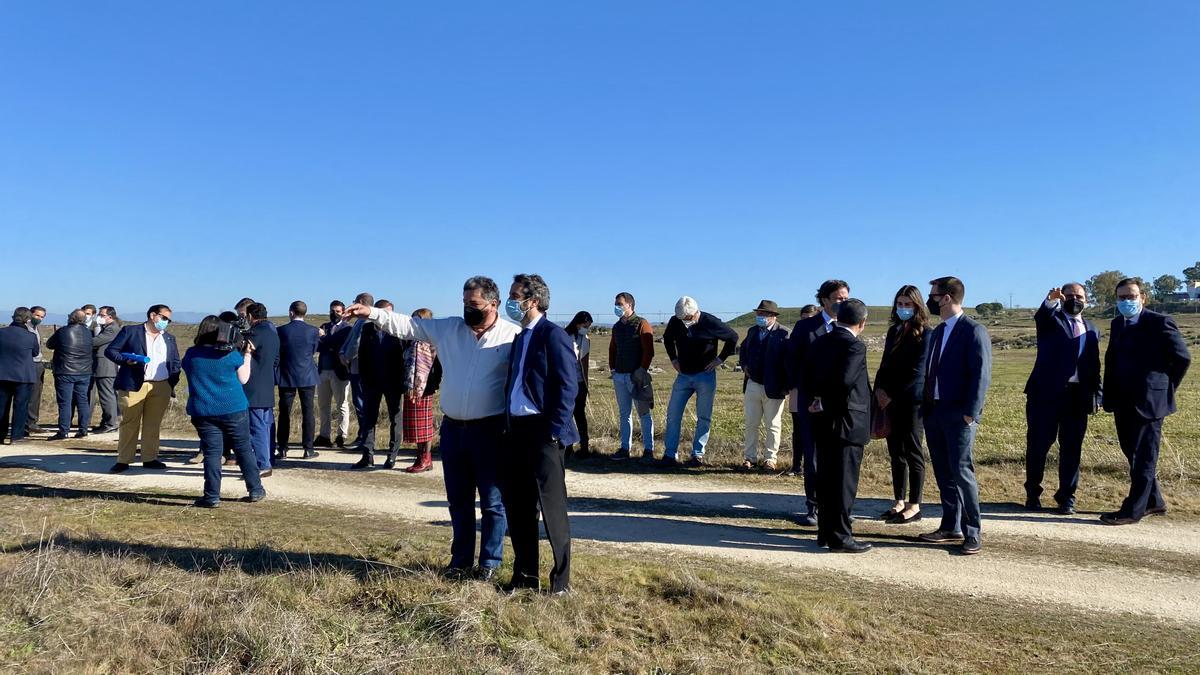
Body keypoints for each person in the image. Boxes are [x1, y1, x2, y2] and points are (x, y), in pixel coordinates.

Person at [344, 276, 516, 580]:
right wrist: (371, 313)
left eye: (473, 305)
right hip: (453, 431)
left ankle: (489, 563)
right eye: (464, 303)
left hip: (491, 432)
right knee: (459, 501)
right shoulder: (450, 328)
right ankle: (460, 562)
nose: (467, 310)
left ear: (494, 304)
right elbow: (407, 325)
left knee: (492, 502)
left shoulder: (512, 336)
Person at [500, 274, 579, 593]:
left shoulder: (553, 335)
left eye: (514, 295)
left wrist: (553, 432)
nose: (510, 301)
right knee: (518, 508)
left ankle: (560, 583)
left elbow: (567, 385)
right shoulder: (520, 337)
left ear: (532, 301)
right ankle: (524, 577)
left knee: (552, 509)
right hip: (516, 430)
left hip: (544, 432)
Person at [1100, 278, 1191, 525]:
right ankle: (1154, 501)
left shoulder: (1159, 323)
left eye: (1131, 296)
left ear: (1143, 297)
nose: (1126, 301)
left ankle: (1133, 509)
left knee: (1145, 457)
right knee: (1132, 453)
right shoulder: (1118, 323)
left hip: (1150, 402)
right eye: (1121, 297)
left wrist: (1165, 387)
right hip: (1122, 401)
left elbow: (1182, 358)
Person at [917, 277, 992, 555]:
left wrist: (971, 414)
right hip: (934, 412)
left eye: (933, 295)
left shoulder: (973, 331)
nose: (930, 300)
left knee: (961, 471)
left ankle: (972, 531)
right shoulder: (937, 332)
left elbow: (980, 375)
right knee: (943, 472)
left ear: (946, 298)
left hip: (959, 415)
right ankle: (951, 526)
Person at [1024, 284, 1102, 515]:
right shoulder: (1051, 320)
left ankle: (1067, 497)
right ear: (1062, 298)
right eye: (1070, 296)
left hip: (1077, 397)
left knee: (1072, 449)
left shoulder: (1092, 329)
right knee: (1038, 446)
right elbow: (1042, 315)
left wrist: (1097, 394)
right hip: (1045, 395)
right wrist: (1050, 300)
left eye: (1079, 297)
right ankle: (1033, 494)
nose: (1074, 299)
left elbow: (1094, 365)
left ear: (1086, 301)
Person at [805, 299, 873, 553]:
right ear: (862, 323)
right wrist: (826, 403)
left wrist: (817, 401)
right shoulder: (854, 346)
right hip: (847, 420)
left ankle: (825, 533)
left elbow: (808, 375)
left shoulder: (820, 341)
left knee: (826, 479)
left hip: (822, 420)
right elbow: (846, 382)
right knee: (844, 483)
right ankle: (841, 537)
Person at [182, 315, 266, 508]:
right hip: (233, 408)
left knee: (212, 453)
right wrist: (246, 355)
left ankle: (211, 496)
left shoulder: (192, 354)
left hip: (203, 409)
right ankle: (255, 489)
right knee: (243, 449)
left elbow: (186, 368)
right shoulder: (230, 355)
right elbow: (244, 379)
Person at [786, 280, 849, 524]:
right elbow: (792, 362)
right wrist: (808, 392)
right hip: (811, 402)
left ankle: (838, 509)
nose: (842, 303)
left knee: (838, 457)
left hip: (840, 404)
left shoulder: (849, 325)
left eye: (846, 298)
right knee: (812, 457)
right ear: (824, 300)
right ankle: (813, 507)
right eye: (838, 298)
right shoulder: (805, 328)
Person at [874, 285, 929, 524]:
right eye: (900, 304)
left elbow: (918, 371)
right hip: (888, 402)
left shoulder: (926, 333)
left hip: (911, 402)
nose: (903, 308)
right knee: (896, 454)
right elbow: (885, 364)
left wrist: (892, 394)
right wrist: (878, 390)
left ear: (917, 306)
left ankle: (914, 504)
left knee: (913, 452)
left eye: (908, 304)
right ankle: (898, 500)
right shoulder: (893, 331)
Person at [661, 296, 737, 468]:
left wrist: (720, 359)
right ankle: (669, 454)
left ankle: (698, 455)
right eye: (682, 319)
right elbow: (667, 338)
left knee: (703, 416)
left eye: (688, 319)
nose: (685, 322)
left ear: (695, 313)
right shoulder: (676, 321)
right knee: (673, 414)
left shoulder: (710, 321)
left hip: (705, 375)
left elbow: (733, 336)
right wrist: (673, 359)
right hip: (683, 375)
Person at [105, 304, 181, 473]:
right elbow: (111, 351)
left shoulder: (169, 338)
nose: (166, 322)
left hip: (161, 385)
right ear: (153, 315)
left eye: (168, 319)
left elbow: (175, 361)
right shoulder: (130, 331)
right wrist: (126, 361)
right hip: (134, 384)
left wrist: (171, 382)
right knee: (130, 422)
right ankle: (124, 460)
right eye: (164, 318)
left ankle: (150, 457)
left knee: (153, 424)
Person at [352, 299, 408, 469]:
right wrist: (363, 378)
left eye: (389, 313)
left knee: (395, 419)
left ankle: (392, 456)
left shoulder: (399, 332)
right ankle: (367, 455)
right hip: (371, 382)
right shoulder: (367, 328)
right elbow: (362, 354)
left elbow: (405, 357)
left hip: (393, 382)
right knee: (369, 419)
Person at [739, 300, 790, 471]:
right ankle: (749, 457)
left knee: (773, 424)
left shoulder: (784, 334)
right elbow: (743, 350)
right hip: (753, 383)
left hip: (774, 387)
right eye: (758, 313)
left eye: (764, 314)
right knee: (751, 423)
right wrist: (744, 365)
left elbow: (788, 362)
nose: (759, 317)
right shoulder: (752, 331)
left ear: (773, 316)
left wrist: (786, 385)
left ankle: (770, 459)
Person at [609, 292, 655, 461]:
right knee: (624, 413)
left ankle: (649, 449)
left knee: (643, 413)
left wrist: (641, 371)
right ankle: (624, 448)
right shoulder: (616, 327)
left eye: (619, 304)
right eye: (615, 303)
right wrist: (612, 369)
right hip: (619, 375)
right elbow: (613, 349)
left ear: (629, 304)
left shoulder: (642, 323)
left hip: (636, 377)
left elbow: (649, 351)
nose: (616, 306)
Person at [398, 308, 440, 472]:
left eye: (417, 320)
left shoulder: (429, 341)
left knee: (423, 426)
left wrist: (427, 386)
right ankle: (420, 457)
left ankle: (425, 459)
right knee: (417, 425)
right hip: (412, 387)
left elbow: (434, 367)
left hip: (423, 388)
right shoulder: (413, 340)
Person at [242, 303, 283, 471]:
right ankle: (269, 457)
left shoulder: (254, 334)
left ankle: (262, 463)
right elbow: (276, 360)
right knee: (266, 425)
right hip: (267, 382)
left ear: (251, 316)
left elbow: (243, 357)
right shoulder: (273, 332)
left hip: (253, 385)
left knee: (256, 426)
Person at [277, 300, 320, 457]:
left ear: (291, 312)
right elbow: (315, 349)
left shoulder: (281, 331)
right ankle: (308, 449)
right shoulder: (313, 331)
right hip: (307, 375)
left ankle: (282, 448)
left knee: (284, 413)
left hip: (287, 375)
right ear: (305, 314)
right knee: (308, 412)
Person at [46, 309, 94, 440]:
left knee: (65, 402)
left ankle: (63, 430)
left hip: (65, 370)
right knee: (83, 401)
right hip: (84, 371)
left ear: (70, 318)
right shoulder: (89, 333)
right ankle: (83, 429)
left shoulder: (63, 331)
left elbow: (49, 344)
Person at [0, 307, 40, 445]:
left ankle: (0, 435)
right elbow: (35, 353)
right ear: (28, 320)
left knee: (2, 406)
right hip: (24, 375)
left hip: (3, 373)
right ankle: (16, 436)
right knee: (21, 406)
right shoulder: (31, 336)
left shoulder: (1, 333)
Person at [315, 300, 351, 448]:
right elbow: (318, 346)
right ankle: (324, 435)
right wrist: (327, 343)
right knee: (323, 405)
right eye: (332, 310)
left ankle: (341, 436)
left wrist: (325, 339)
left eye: (337, 311)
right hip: (323, 370)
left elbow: (337, 344)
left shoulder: (347, 329)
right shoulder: (324, 326)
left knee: (341, 405)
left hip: (339, 372)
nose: (334, 314)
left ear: (343, 313)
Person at [341, 292, 375, 447]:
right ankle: (363, 436)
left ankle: (365, 438)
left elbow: (356, 343)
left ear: (360, 302)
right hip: (358, 367)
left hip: (359, 368)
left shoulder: (364, 321)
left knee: (361, 402)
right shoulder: (360, 321)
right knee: (359, 402)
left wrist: (346, 357)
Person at [563, 311, 594, 459]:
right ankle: (567, 447)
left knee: (580, 415)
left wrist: (587, 386)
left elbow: (585, 363)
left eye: (588, 327)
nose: (586, 329)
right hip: (567, 383)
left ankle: (584, 447)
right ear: (578, 323)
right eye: (585, 326)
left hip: (580, 383)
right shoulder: (564, 336)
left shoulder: (586, 339)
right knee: (566, 415)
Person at [88, 306, 120, 433]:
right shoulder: (106, 328)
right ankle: (106, 421)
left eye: (102, 315)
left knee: (107, 396)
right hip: (103, 365)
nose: (99, 318)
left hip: (106, 366)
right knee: (107, 395)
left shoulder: (112, 330)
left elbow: (95, 342)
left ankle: (110, 423)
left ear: (110, 317)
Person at [25, 306, 47, 433]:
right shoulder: (26, 328)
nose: (39, 319)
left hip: (38, 362)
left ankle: (32, 421)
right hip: (30, 363)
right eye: (37, 315)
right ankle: (28, 422)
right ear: (31, 314)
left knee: (35, 394)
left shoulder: (37, 328)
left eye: (42, 317)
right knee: (29, 394)